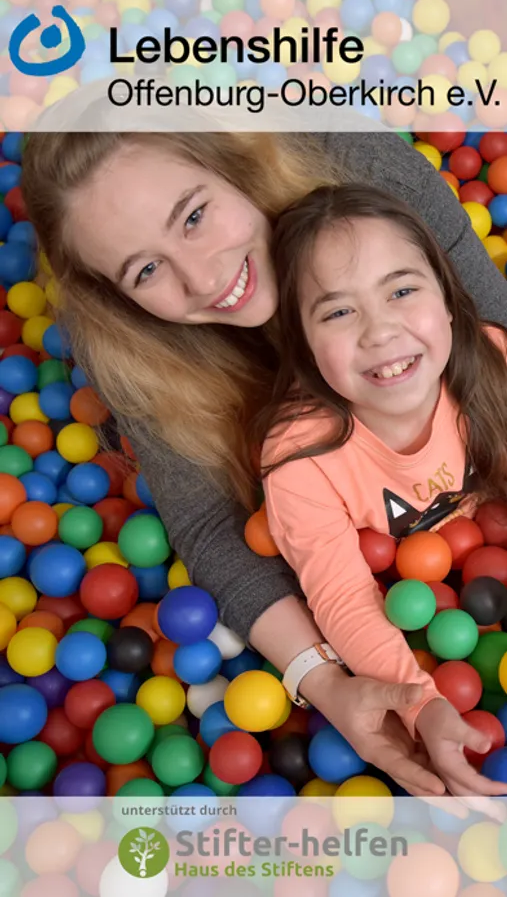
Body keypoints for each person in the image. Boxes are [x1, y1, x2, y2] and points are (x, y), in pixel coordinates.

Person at [21, 128, 507, 797]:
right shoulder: (290, 449)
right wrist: (333, 685)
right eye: (145, 271)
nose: (205, 278)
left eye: (195, 215)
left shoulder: (369, 181)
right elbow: (212, 528)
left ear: (237, 163)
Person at [257, 182, 507, 797]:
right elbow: (344, 595)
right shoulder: (300, 457)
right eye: (338, 312)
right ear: (304, 346)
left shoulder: (493, 362)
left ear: (447, 301)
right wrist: (419, 703)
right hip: (415, 609)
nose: (380, 330)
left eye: (401, 290)